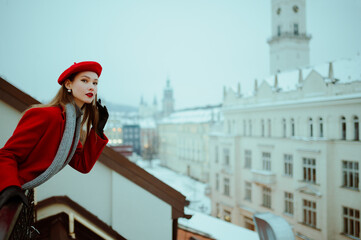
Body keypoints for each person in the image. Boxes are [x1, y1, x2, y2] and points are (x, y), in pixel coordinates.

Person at [0, 61, 109, 209]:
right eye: (84, 80)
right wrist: (9, 186)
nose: (92, 87)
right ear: (68, 85)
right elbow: (7, 155)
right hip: (8, 190)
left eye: (95, 83)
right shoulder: (46, 115)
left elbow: (82, 164)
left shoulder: (71, 125)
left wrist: (97, 130)